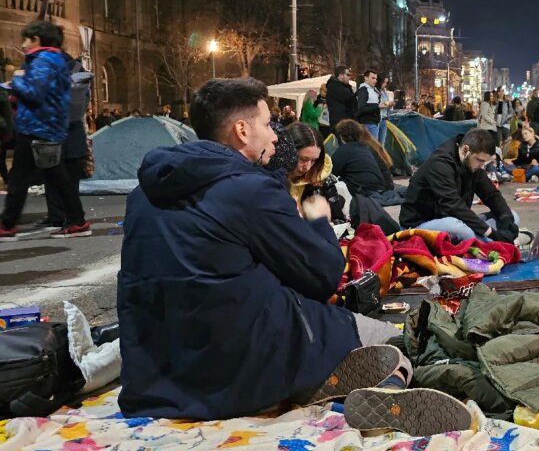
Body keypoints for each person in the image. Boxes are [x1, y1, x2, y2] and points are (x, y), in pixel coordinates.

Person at [119, 78, 469, 427]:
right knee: (393, 340)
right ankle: (388, 390)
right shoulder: (248, 189)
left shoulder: (142, 195)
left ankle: (326, 383)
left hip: (160, 379)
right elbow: (322, 276)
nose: (274, 134)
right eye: (267, 123)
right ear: (242, 130)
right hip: (237, 373)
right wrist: (317, 222)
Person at [1, 21, 90, 239]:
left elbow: (34, 93)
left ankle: (7, 224)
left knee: (20, 178)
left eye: (26, 40)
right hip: (44, 126)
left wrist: (16, 80)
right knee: (55, 177)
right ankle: (76, 221)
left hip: (36, 127)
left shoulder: (43, 61)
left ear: (37, 40)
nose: (23, 45)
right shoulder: (51, 60)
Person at [399, 129, 520, 243]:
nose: (482, 166)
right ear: (465, 150)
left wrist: (506, 219)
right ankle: (488, 242)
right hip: (420, 225)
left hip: (457, 219)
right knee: (462, 231)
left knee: (512, 216)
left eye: (485, 162)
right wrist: (491, 233)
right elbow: (453, 205)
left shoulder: (472, 163)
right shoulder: (440, 164)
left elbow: (491, 194)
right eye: (480, 161)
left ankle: (481, 242)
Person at [40, 60, 93, 232]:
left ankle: (71, 219)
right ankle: (58, 217)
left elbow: (75, 110)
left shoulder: (74, 71)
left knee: (66, 180)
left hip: (67, 136)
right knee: (56, 178)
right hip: (59, 136)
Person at [331, 119, 395, 195]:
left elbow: (333, 172)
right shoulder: (369, 148)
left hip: (362, 190)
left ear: (341, 135)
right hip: (381, 187)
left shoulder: (342, 151)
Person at [355, 70, 383, 139]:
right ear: (366, 78)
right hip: (368, 123)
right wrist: (377, 107)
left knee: (373, 147)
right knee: (372, 148)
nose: (375, 81)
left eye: (376, 78)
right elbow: (361, 109)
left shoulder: (373, 90)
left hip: (374, 122)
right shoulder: (363, 90)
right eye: (373, 78)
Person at [376, 75, 392, 146]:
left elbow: (386, 103)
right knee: (375, 143)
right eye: (384, 82)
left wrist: (390, 104)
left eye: (386, 82)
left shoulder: (385, 91)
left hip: (384, 119)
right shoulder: (375, 91)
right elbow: (375, 105)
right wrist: (381, 106)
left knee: (381, 144)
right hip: (377, 119)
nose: (385, 84)